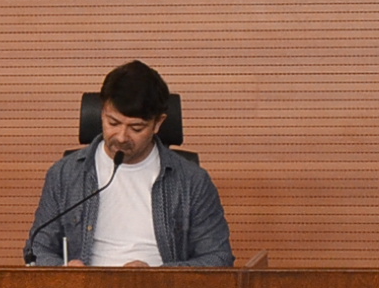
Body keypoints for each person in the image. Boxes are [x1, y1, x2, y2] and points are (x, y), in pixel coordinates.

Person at [24, 60, 232, 267]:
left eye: (136, 128)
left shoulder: (192, 181)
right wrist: (65, 271)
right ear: (102, 112)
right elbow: (37, 248)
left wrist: (157, 275)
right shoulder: (65, 174)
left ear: (158, 123)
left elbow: (218, 257)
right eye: (113, 123)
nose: (122, 137)